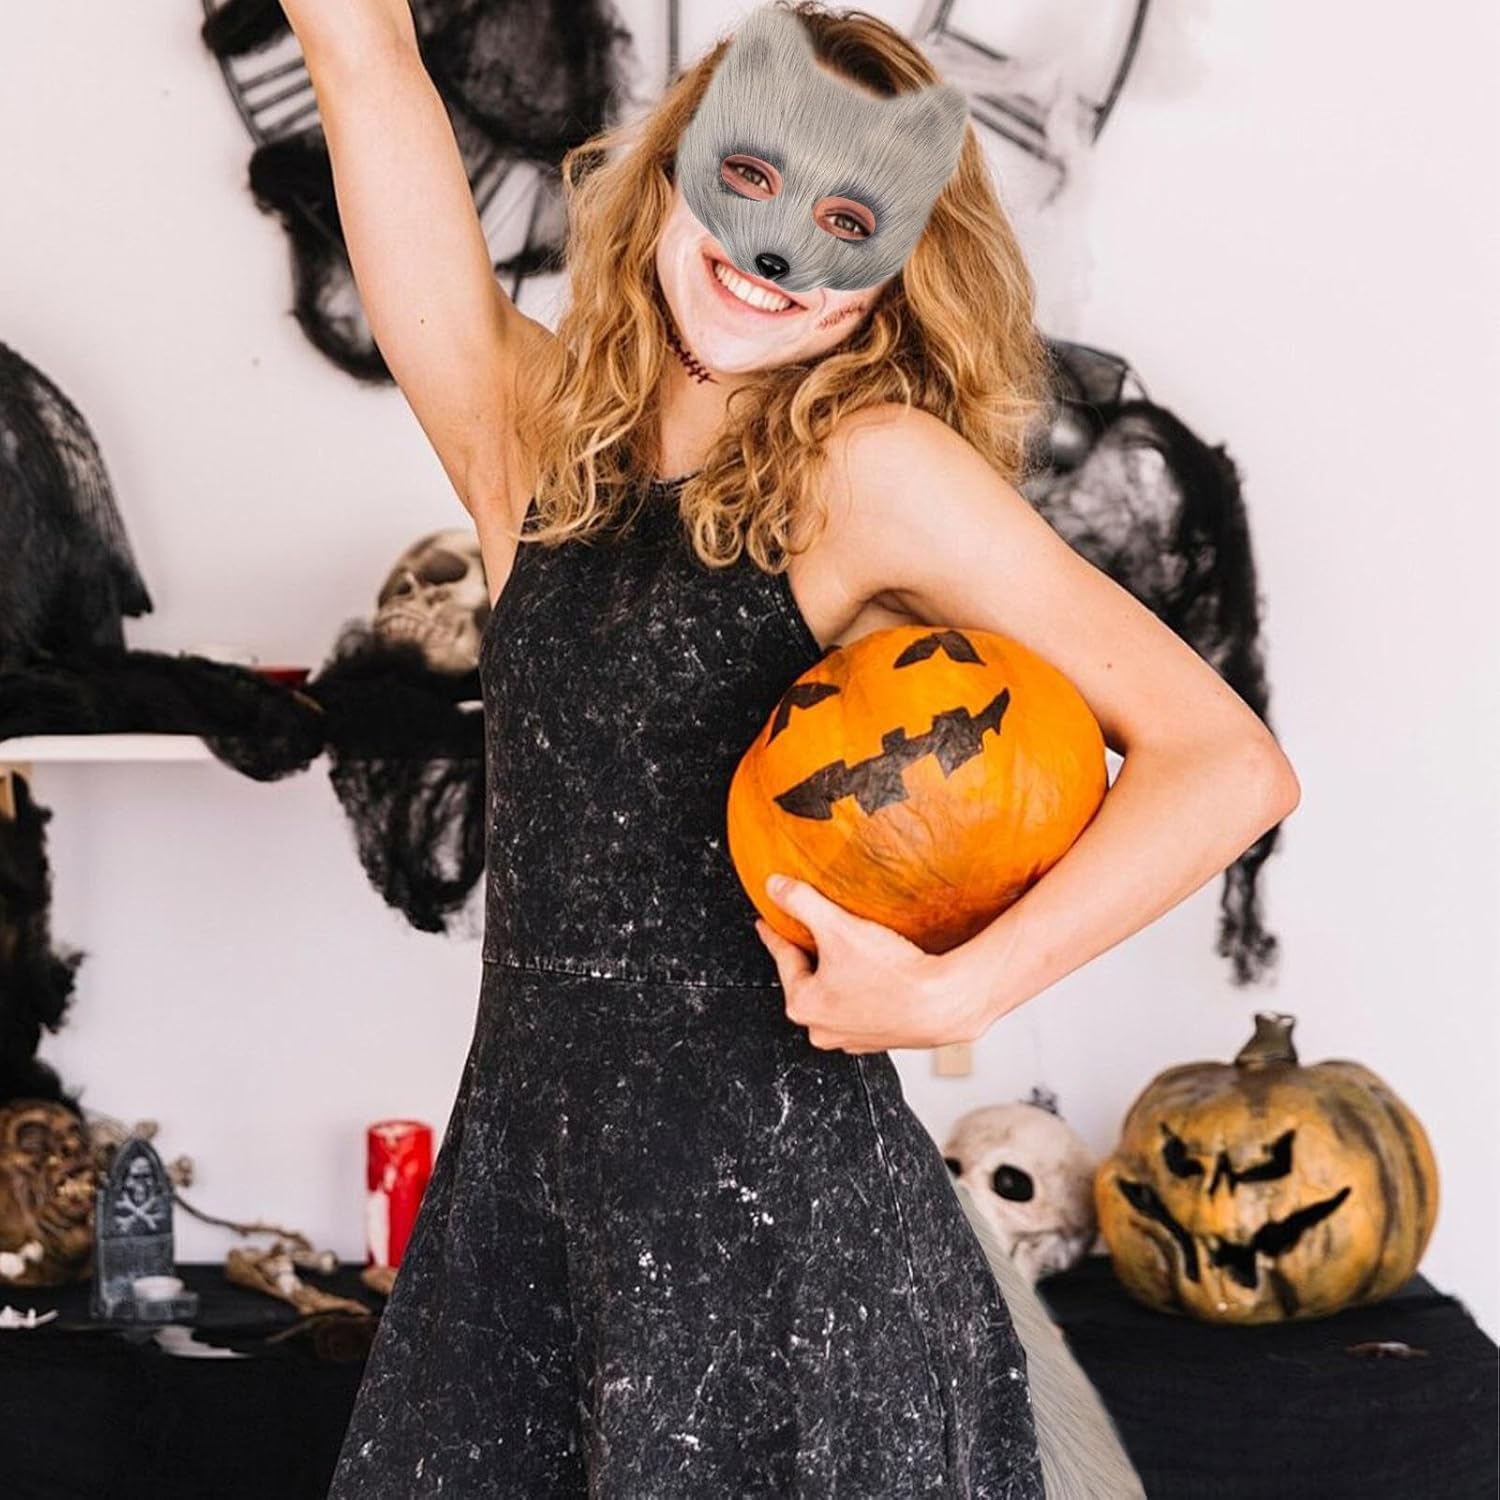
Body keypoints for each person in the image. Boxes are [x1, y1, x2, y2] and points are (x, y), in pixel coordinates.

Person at [283, 1, 1300, 1494]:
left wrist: (956, 988)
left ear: (896, 265)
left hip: (784, 1249)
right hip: (528, 1211)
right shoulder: (546, 446)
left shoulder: (871, 471)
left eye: (842, 220)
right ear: (675, 172)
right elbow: (364, 51)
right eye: (750, 180)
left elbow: (1227, 764)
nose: (773, 256)